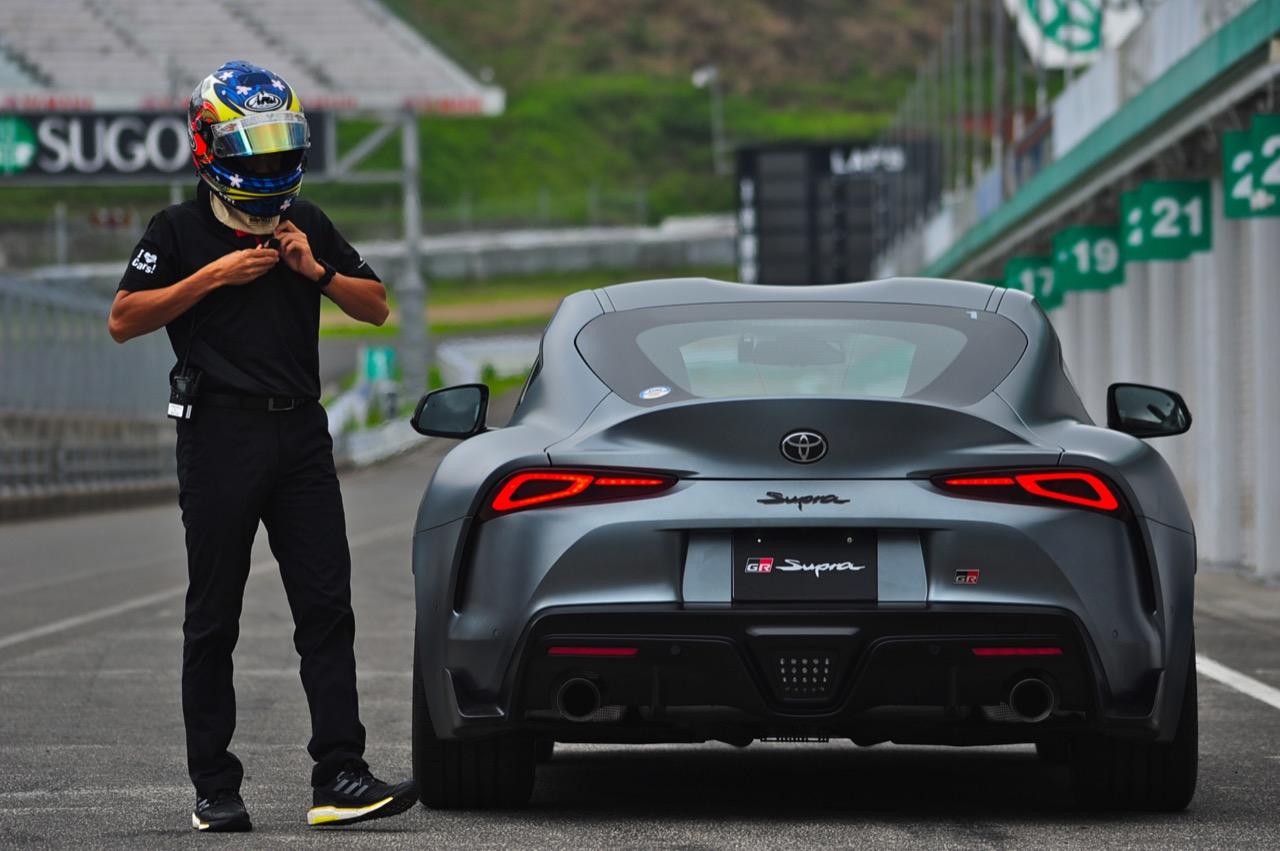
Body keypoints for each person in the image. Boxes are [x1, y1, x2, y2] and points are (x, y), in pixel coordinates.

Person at [107, 60, 416, 832]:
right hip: (219, 433)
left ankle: (340, 773)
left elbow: (377, 306)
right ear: (211, 144)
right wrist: (213, 276)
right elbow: (123, 318)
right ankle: (215, 786)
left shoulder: (303, 221)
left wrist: (318, 271)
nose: (271, 156)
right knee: (215, 615)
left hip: (301, 432)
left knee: (326, 606)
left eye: (281, 139)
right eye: (255, 142)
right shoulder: (176, 230)